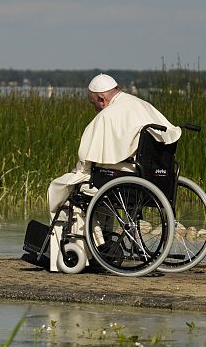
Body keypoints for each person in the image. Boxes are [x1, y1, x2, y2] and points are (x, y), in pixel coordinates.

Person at [46, 73, 181, 271]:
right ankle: (100, 246)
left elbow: (87, 159)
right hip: (153, 177)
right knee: (97, 183)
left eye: (94, 104)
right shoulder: (141, 105)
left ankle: (80, 251)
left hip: (123, 179)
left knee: (61, 188)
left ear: (101, 99)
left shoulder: (108, 115)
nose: (95, 108)